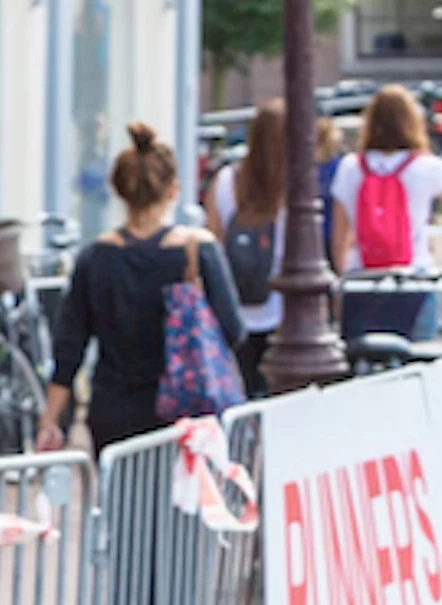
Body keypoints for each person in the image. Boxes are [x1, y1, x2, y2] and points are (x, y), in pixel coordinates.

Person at [39, 123, 245, 453]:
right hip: (186, 412)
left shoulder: (94, 258)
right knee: (183, 503)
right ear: (173, 190)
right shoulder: (199, 251)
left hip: (113, 412)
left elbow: (68, 349)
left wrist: (50, 420)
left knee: (121, 502)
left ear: (119, 191)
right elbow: (233, 331)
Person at [334, 86, 442, 341]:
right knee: (417, 355)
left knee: (362, 358)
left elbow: (340, 236)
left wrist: (343, 278)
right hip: (414, 275)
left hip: (363, 277)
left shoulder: (350, 167)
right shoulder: (427, 166)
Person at [208, 99, 295, 391]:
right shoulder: (293, 187)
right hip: (281, 309)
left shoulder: (224, 181)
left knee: (242, 393)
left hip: (234, 310)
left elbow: (213, 247)